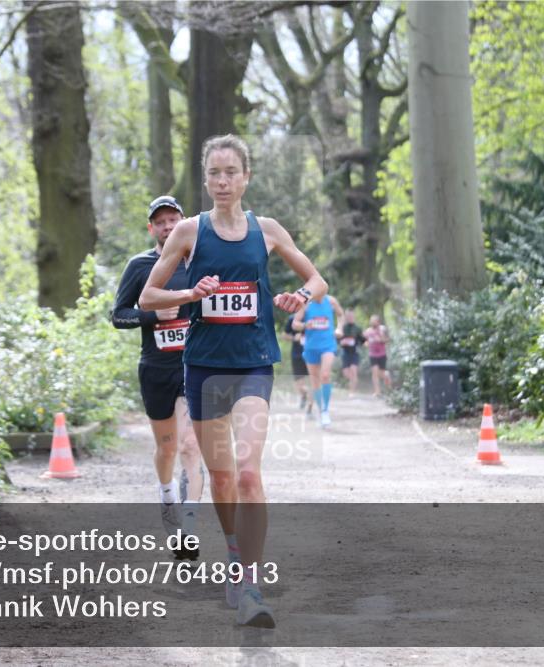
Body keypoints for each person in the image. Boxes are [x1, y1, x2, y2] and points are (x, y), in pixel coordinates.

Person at [140, 134, 328, 628]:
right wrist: (189, 294)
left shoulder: (267, 230)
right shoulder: (188, 231)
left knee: (246, 471)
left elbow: (317, 280)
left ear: (246, 178)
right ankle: (233, 550)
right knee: (221, 477)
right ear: (206, 181)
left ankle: (250, 584)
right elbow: (147, 297)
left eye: (231, 172)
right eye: (214, 174)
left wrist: (300, 297)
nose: (222, 181)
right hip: (203, 366)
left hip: (253, 365)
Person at [110, 195, 205, 553]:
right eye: (160, 222)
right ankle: (167, 497)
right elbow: (118, 315)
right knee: (167, 448)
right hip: (156, 369)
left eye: (172, 220)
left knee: (191, 446)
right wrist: (151, 316)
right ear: (152, 228)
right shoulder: (140, 266)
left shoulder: (200, 262)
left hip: (194, 366)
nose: (167, 227)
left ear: (183, 222)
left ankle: (189, 529)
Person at [292, 294, 344, 426]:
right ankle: (321, 411)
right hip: (311, 347)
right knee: (315, 382)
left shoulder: (331, 301)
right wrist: (305, 325)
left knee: (325, 375)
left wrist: (339, 328)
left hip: (328, 345)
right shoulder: (305, 304)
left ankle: (325, 411)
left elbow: (340, 314)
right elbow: (295, 324)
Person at [283, 314, 312, 414]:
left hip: (312, 353)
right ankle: (304, 395)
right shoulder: (292, 318)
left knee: (313, 382)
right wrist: (294, 338)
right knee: (299, 384)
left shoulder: (313, 315)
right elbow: (285, 335)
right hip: (297, 354)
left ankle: (310, 408)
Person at [338, 309, 366, 396]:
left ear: (354, 317)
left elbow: (363, 340)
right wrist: (341, 342)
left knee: (353, 371)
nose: (350, 318)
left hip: (354, 353)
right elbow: (337, 339)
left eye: (351, 316)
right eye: (348, 316)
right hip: (345, 353)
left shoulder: (358, 328)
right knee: (346, 373)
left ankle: (352, 391)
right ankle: (354, 381)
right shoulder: (342, 328)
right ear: (346, 317)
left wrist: (364, 342)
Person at [364, 314, 392, 397]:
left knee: (381, 373)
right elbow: (364, 341)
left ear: (378, 322)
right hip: (372, 355)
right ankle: (377, 392)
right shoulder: (368, 331)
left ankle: (388, 382)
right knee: (374, 373)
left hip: (382, 354)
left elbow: (388, 339)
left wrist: (380, 339)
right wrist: (366, 344)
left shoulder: (382, 329)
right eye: (371, 321)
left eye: (374, 321)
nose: (372, 322)